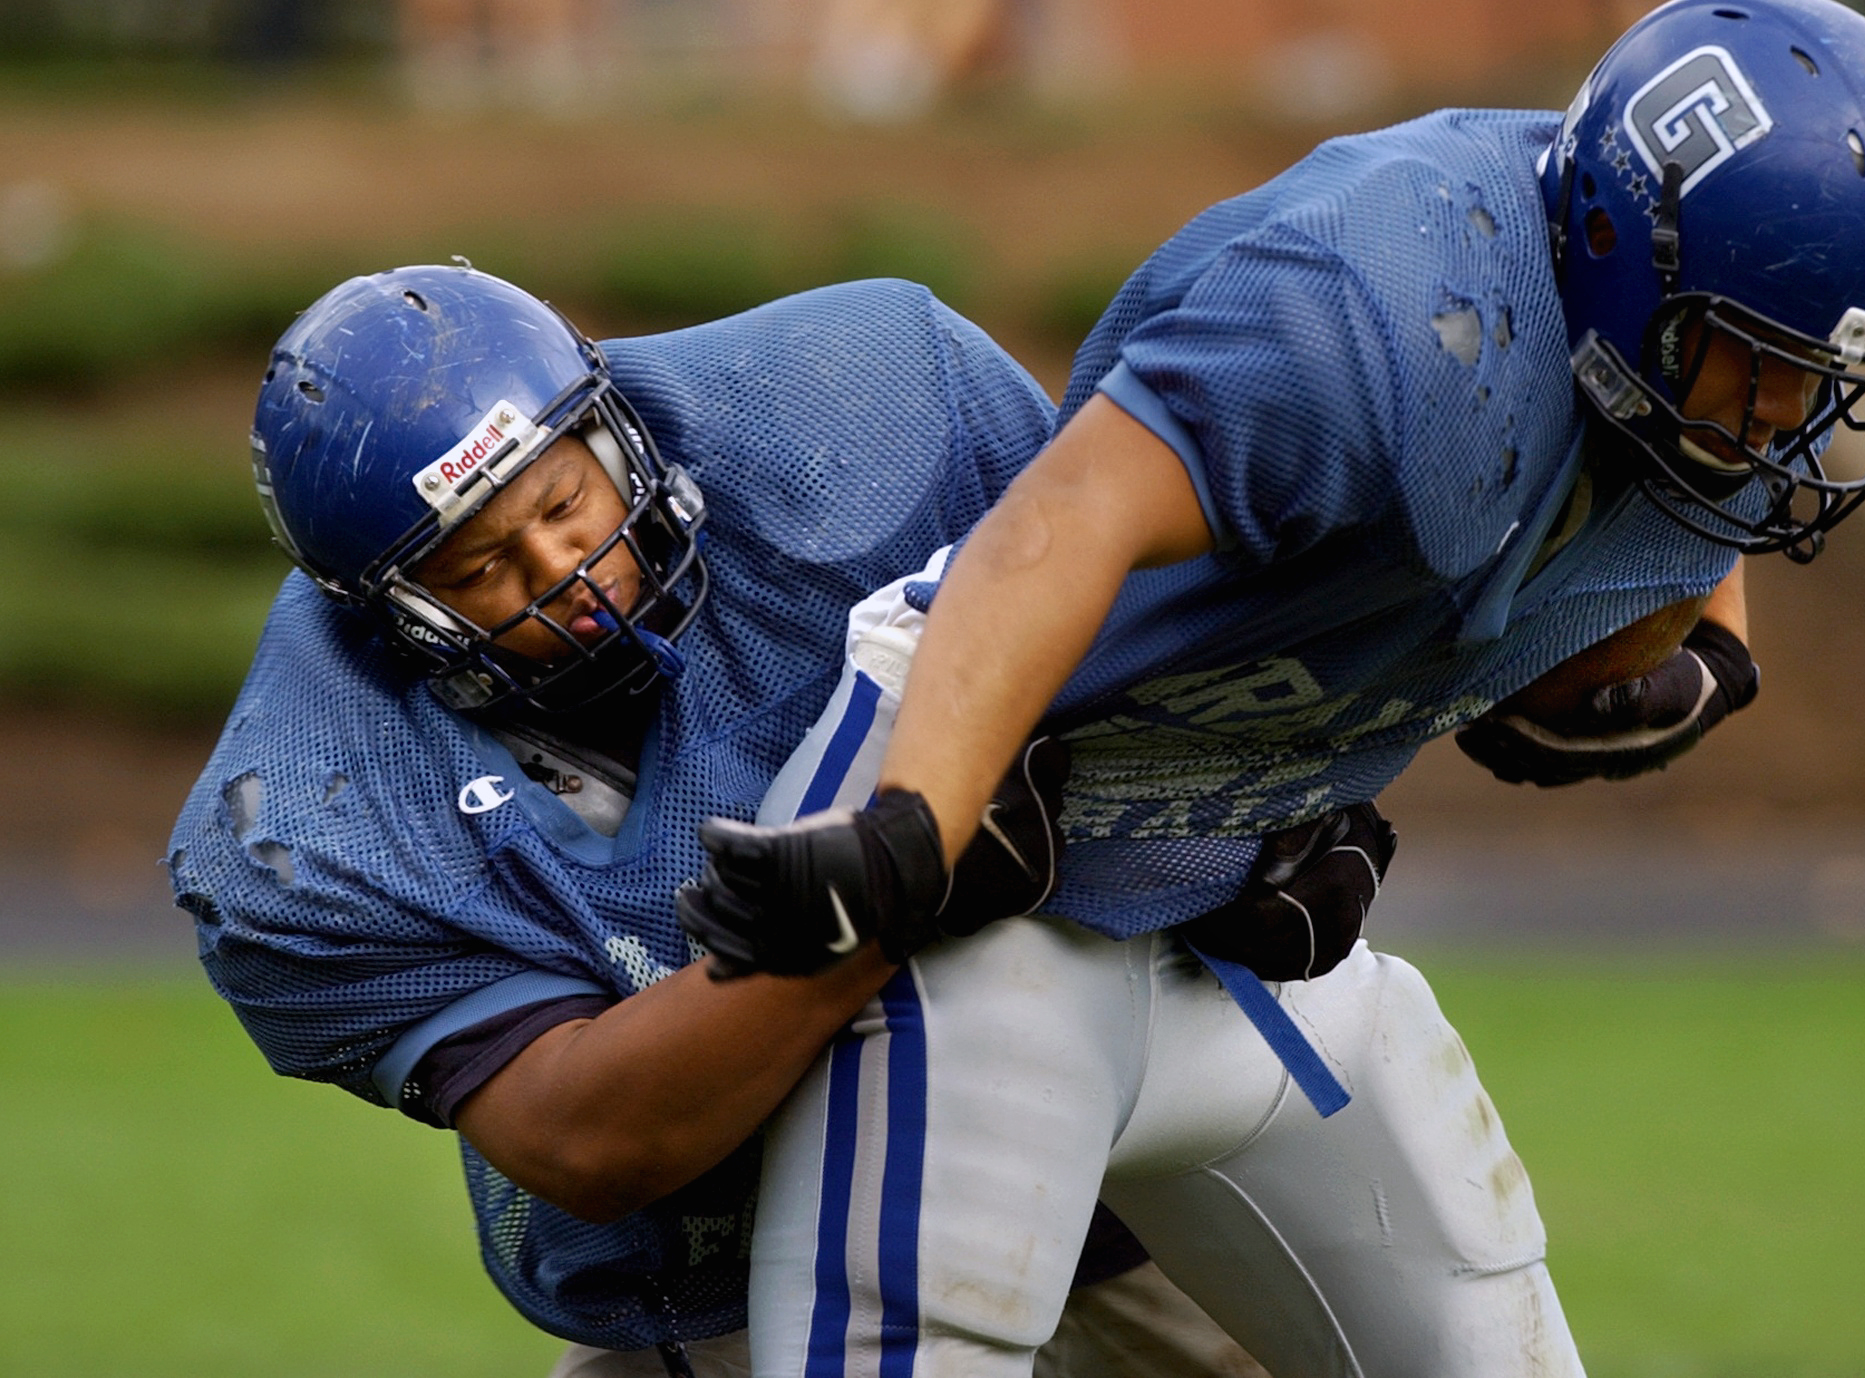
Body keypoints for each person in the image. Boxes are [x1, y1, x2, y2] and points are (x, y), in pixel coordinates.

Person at [678, 2, 1865, 1375]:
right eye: (1763, 364)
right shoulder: (1381, 311)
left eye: (1833, 376)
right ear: (1612, 251)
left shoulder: (1688, 381)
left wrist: (1684, 658)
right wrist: (913, 820)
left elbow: (1693, 534)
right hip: (1002, 836)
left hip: (1229, 887)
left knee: (1497, 1337)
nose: (1791, 422)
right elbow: (1059, 521)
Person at [170, 260, 1312, 1376]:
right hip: (730, 1261)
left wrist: (1286, 800)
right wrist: (894, 891)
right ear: (394, 615)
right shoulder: (307, 818)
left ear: (614, 433)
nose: (563, 566)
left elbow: (1149, 623)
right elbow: (593, 1140)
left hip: (1120, 1165)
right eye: (479, 568)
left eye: (565, 502)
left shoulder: (858, 402)